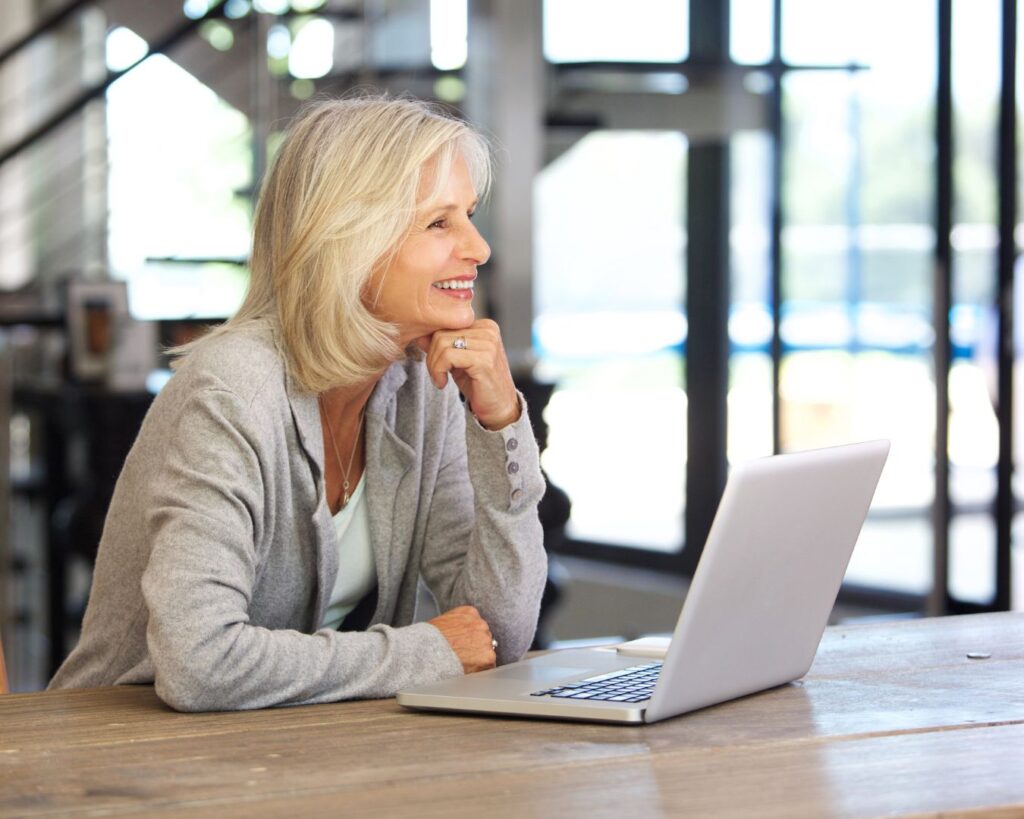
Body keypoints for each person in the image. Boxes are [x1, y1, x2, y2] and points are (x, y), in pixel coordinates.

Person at [49, 95, 548, 711]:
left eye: (469, 215)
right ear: (348, 240)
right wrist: (429, 653)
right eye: (439, 223)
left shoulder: (429, 381)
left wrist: (500, 425)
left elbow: (497, 631)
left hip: (295, 752)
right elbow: (200, 664)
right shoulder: (232, 389)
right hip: (120, 761)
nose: (478, 248)